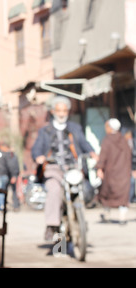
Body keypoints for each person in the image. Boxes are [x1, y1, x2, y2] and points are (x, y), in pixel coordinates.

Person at [31, 95, 98, 241]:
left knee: (85, 190)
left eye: (64, 111)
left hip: (72, 167)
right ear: (53, 111)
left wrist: (92, 152)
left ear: (68, 112)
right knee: (54, 191)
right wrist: (38, 157)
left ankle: (79, 220)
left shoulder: (75, 128)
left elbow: (84, 142)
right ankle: (52, 225)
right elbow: (36, 148)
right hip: (53, 168)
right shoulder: (45, 130)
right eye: (59, 110)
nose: (62, 114)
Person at [96, 119, 132, 225]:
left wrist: (99, 168)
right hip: (123, 172)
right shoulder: (123, 139)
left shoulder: (107, 140)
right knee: (123, 195)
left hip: (110, 172)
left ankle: (107, 213)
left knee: (107, 193)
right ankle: (122, 217)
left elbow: (103, 156)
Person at [1, 142, 21, 212]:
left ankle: (15, 205)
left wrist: (14, 175)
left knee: (13, 191)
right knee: (6, 191)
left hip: (10, 175)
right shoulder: (7, 155)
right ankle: (5, 205)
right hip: (6, 175)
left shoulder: (11, 155)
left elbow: (13, 166)